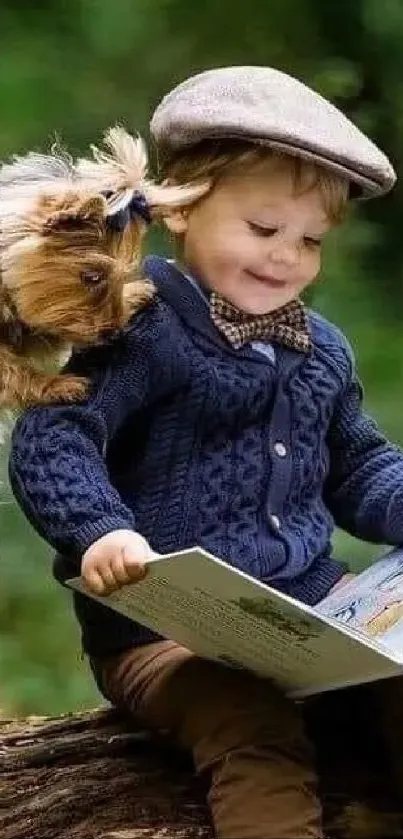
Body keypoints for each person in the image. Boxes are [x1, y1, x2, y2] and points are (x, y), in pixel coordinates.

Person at [8, 66, 403, 838]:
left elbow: (358, 465)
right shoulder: (140, 325)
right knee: (250, 725)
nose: (286, 256)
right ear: (182, 211)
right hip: (169, 634)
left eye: (310, 240)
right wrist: (102, 532)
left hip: (310, 614)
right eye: (262, 229)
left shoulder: (320, 349)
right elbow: (55, 441)